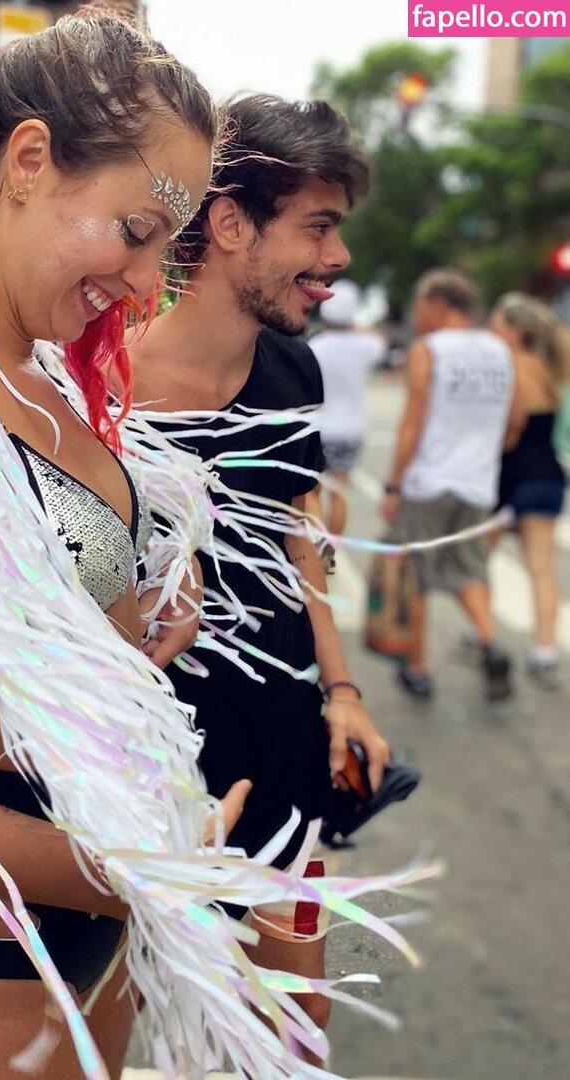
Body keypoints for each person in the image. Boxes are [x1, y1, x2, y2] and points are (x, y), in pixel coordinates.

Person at [0, 18, 424, 1079]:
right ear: (29, 161)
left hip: (91, 955)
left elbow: (32, 637)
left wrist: (134, 616)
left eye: (170, 241)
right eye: (138, 229)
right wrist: (127, 874)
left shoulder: (54, 376)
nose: (151, 279)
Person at [128, 94, 390, 1054]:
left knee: (293, 1016)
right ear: (231, 223)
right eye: (316, 227)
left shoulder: (294, 371)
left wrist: (342, 690)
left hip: (280, 727)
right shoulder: (104, 385)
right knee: (170, 1016)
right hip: (154, 744)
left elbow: (298, 537)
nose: (337, 257)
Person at [381, 268, 515, 702]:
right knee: (469, 572)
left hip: (429, 481)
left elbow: (413, 421)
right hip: (479, 483)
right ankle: (491, 643)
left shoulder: (429, 349)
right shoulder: (499, 349)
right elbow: (512, 420)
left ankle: (418, 669)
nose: (416, 316)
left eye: (420, 307)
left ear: (440, 305)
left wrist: (393, 485)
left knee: (416, 577)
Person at [490, 292, 569, 687]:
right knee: (542, 571)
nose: (492, 329)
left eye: (498, 322)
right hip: (548, 478)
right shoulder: (549, 366)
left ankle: (483, 635)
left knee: (474, 563)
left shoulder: (511, 365)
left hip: (513, 478)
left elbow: (513, 424)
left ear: (514, 331)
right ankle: (544, 652)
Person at [310, 279, 386, 536]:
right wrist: (357, 324)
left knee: (313, 493)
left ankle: (316, 545)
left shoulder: (316, 346)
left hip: (320, 427)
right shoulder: (365, 346)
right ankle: (332, 548)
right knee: (340, 493)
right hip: (352, 429)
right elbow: (381, 341)